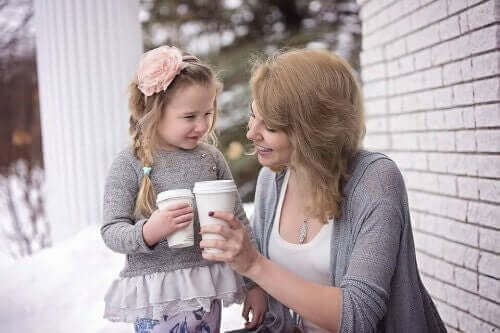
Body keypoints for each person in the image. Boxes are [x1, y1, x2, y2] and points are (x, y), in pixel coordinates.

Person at [199, 48, 447, 333]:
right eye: (253, 117)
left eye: (271, 126)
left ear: (312, 130)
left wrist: (255, 265)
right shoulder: (272, 179)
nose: (251, 133)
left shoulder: (375, 180)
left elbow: (357, 318)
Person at [100, 45, 266, 333]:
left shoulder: (210, 158)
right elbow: (111, 231)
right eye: (190, 117)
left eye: (208, 113)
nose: (202, 125)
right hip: (156, 295)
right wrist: (149, 232)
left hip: (203, 288)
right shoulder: (130, 162)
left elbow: (238, 221)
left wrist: (255, 284)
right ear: (154, 111)